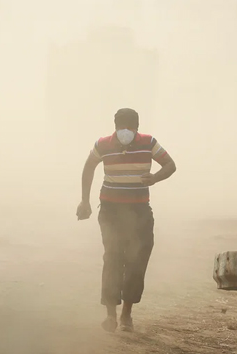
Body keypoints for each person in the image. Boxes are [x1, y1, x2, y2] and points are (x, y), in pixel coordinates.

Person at [77, 108, 176, 333]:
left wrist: (155, 178)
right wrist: (85, 201)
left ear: (137, 129)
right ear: (115, 128)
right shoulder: (103, 144)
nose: (125, 133)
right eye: (121, 128)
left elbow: (170, 164)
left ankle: (126, 315)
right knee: (112, 257)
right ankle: (110, 316)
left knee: (137, 260)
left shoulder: (149, 143)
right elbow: (89, 167)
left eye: (129, 128)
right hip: (111, 211)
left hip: (139, 211)